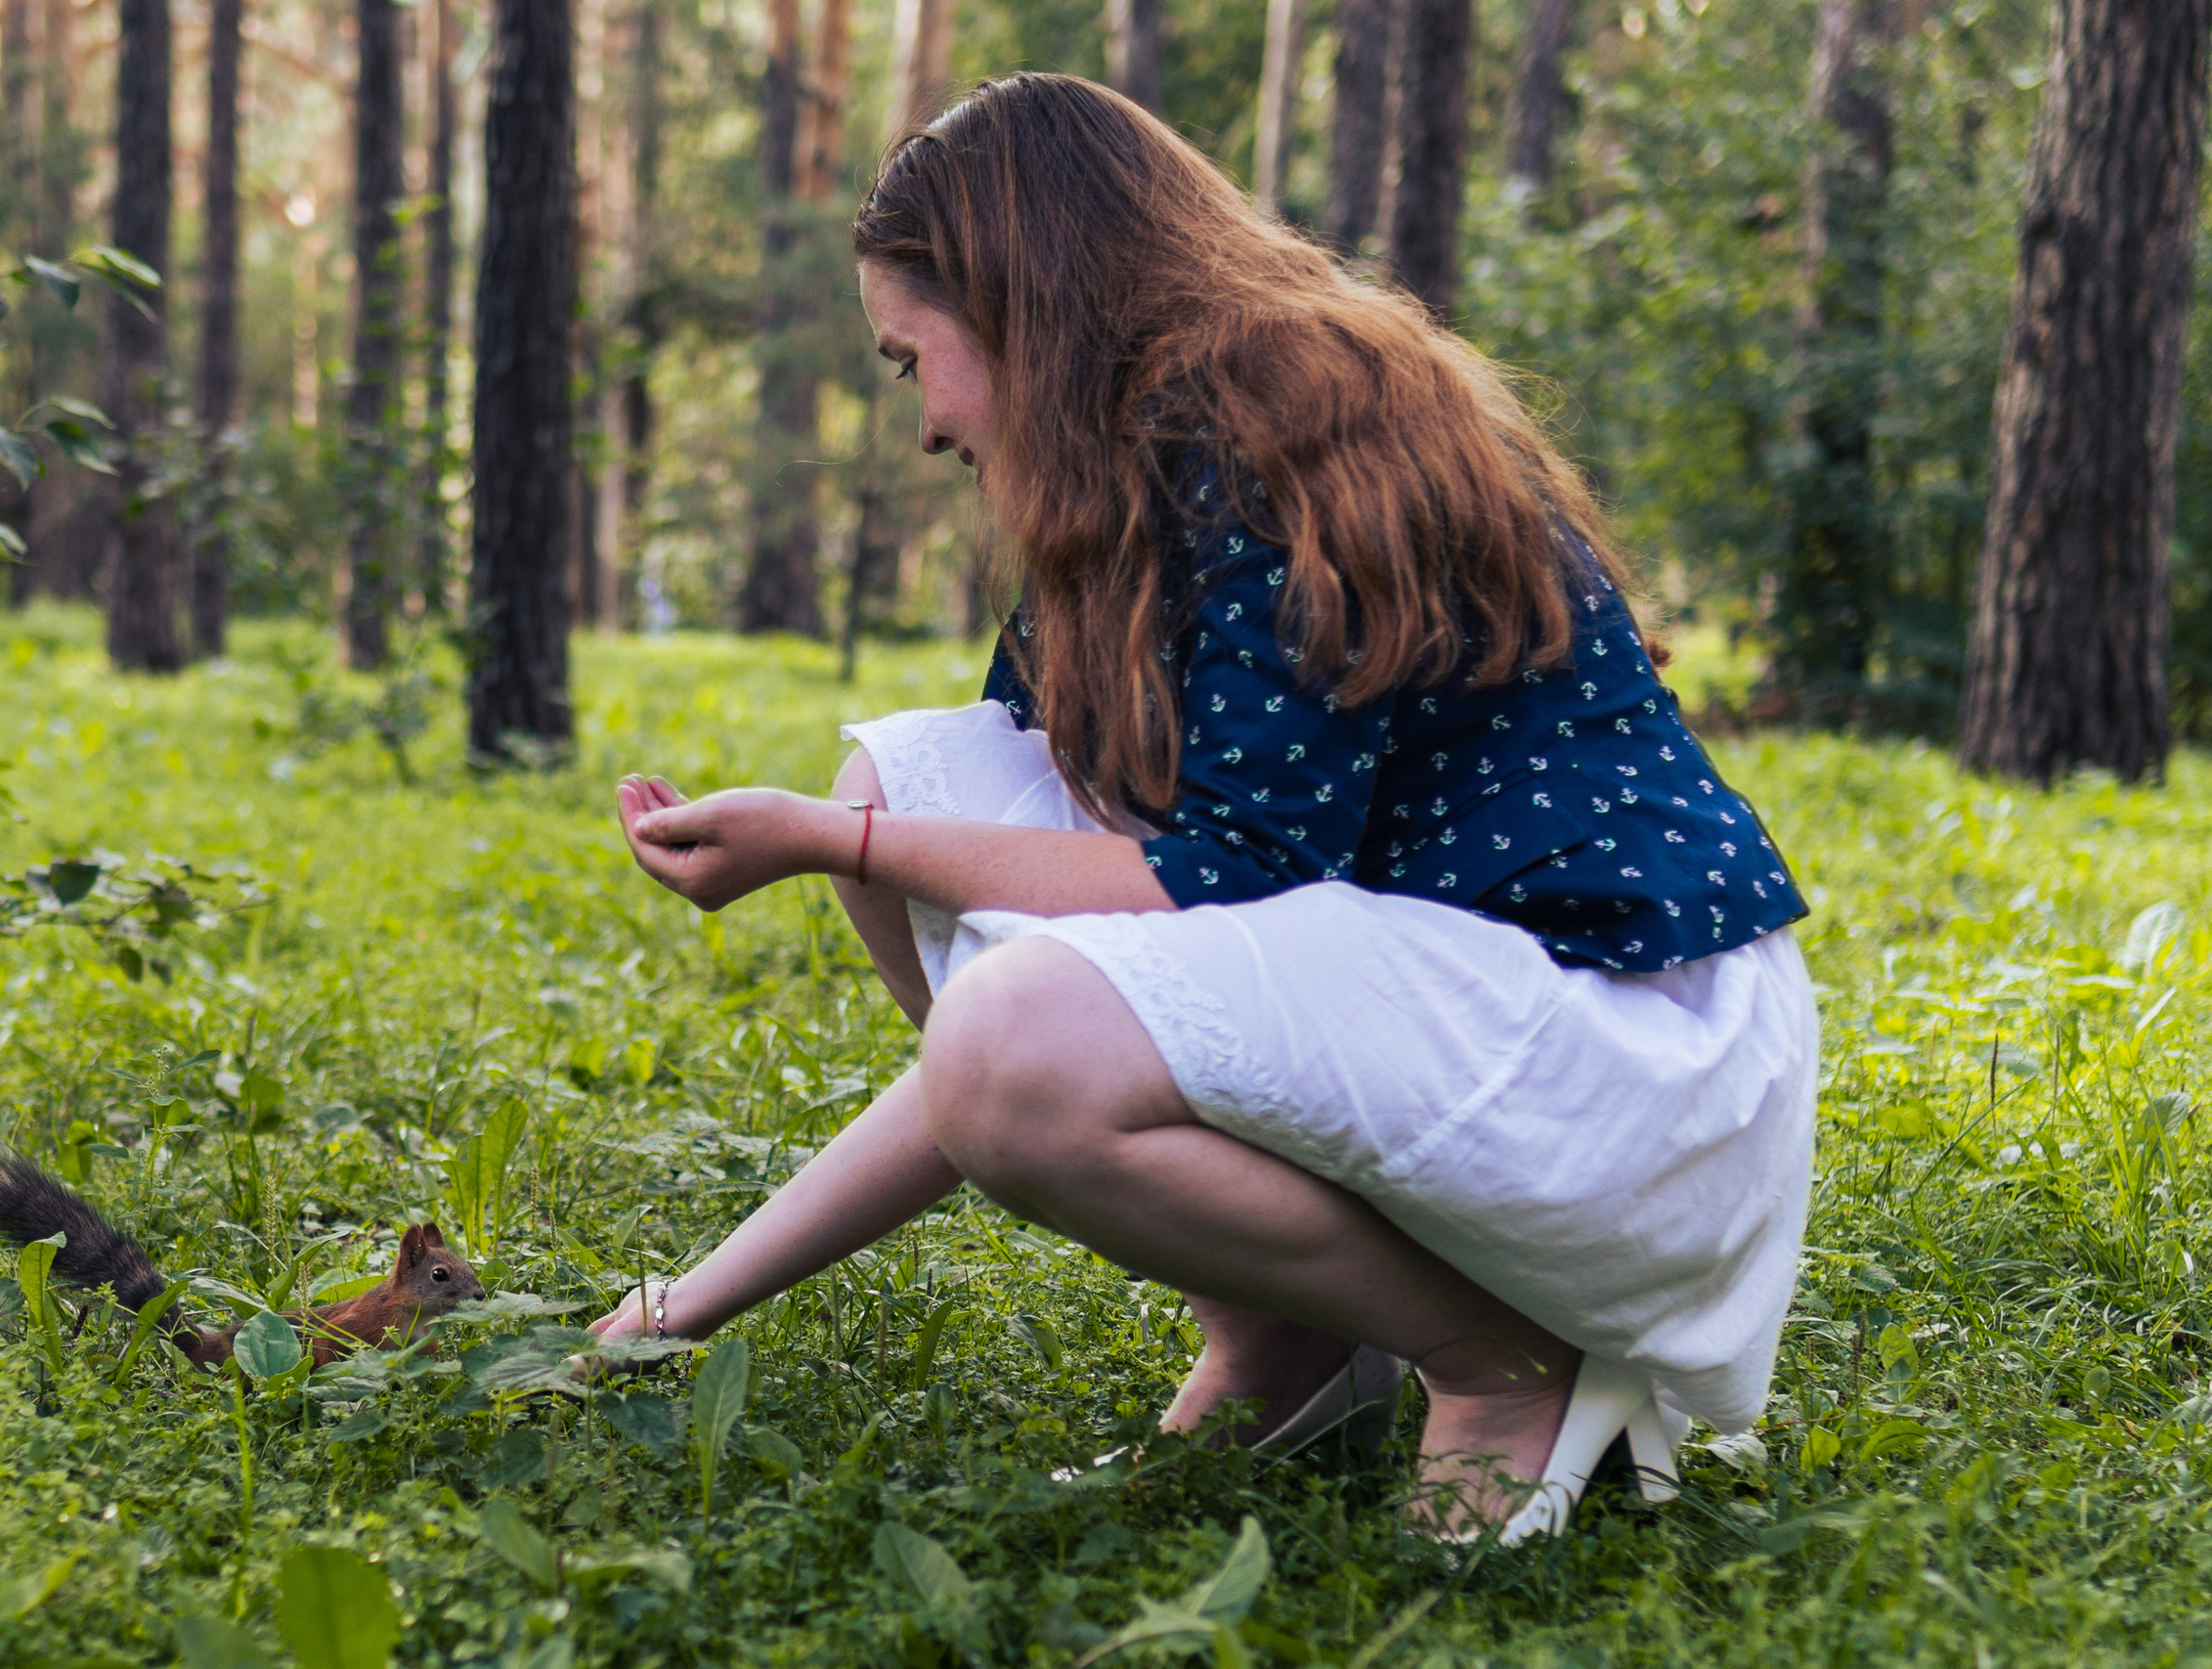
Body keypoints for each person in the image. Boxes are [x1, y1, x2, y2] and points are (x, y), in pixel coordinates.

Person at [586, 72, 1817, 1542]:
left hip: (1618, 1047)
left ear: (1018, 304)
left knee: (941, 920)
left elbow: (1184, 909)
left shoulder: (1292, 433)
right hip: (1444, 1002)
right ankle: (1281, 1340)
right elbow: (1024, 1040)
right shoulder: (1122, 483)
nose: (920, 423)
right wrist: (682, 1304)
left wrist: (822, 845)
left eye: (912, 359)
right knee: (910, 780)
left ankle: (1506, 1363)